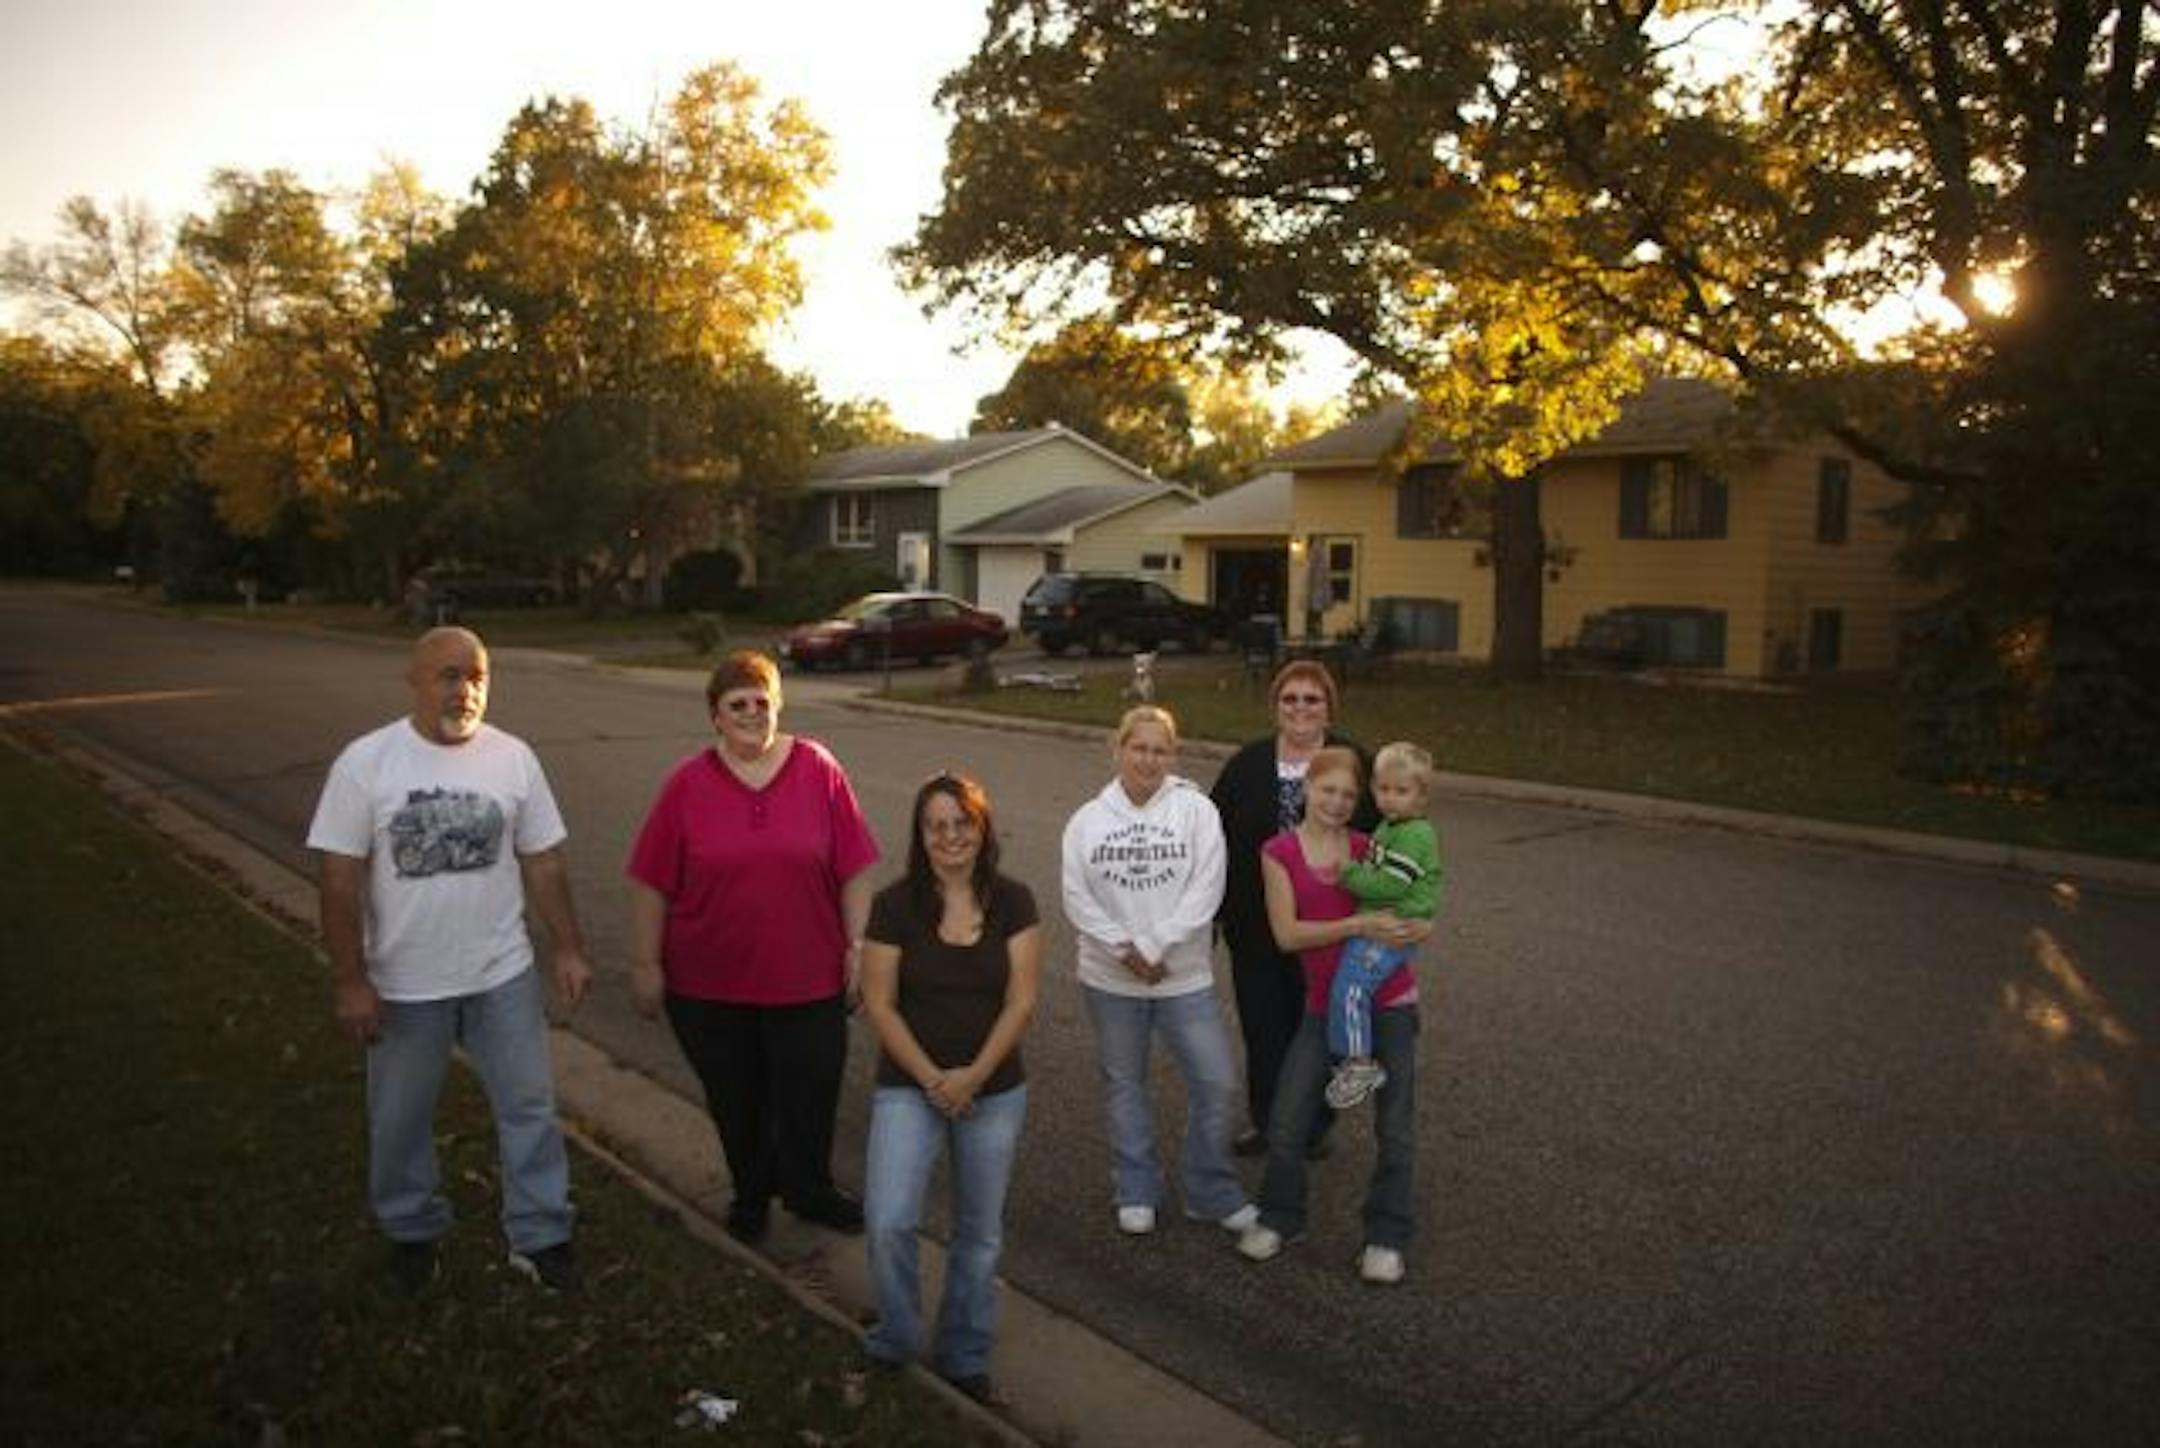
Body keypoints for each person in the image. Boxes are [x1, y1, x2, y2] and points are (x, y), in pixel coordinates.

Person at [307, 626, 593, 1294]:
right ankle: (412, 1232)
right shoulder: (366, 763)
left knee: (529, 1107)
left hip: (503, 975)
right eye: (448, 675)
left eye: (477, 675)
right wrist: (350, 981)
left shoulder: (513, 758)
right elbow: (339, 881)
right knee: (401, 1119)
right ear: (414, 680)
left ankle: (542, 1233)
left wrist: (570, 946)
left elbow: (543, 860)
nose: (465, 689)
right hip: (405, 984)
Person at [625, 650, 879, 1244]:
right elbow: (650, 880)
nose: (751, 713)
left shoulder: (818, 767)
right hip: (708, 985)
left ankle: (809, 1189)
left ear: (778, 706)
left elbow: (855, 867)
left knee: (811, 1093)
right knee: (738, 1102)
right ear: (715, 716)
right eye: (737, 704)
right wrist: (644, 963)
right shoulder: (686, 785)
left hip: (809, 977)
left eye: (762, 701)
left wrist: (858, 945)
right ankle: (752, 1192)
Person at [860, 773, 1042, 1406]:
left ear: (982, 826)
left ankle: (964, 1352)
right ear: (920, 835)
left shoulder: (1014, 902)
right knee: (888, 1219)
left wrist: (973, 1076)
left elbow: (1021, 1002)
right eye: (935, 825)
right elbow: (878, 1006)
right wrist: (936, 1079)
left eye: (961, 822)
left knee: (979, 1232)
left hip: (993, 1088)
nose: (949, 836)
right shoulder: (893, 905)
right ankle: (898, 1336)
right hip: (911, 1085)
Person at [1235, 747, 1430, 1285]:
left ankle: (1386, 1236)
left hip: (1388, 1002)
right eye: (1328, 790)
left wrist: (1420, 928)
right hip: (1324, 1007)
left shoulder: (1371, 847)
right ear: (1307, 790)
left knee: (1395, 1126)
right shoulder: (1278, 852)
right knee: (1288, 1117)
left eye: (1349, 794)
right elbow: (1287, 935)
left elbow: (1414, 908)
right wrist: (1356, 927)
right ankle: (1281, 1216)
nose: (1338, 802)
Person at [1062, 706, 1254, 1238]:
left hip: (1182, 975)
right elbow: (1077, 898)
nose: (1148, 759)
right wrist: (1126, 951)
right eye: (1138, 747)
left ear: (1173, 755)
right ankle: (1136, 1187)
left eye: (1159, 750)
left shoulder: (1195, 811)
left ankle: (1208, 1189)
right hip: (1110, 979)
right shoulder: (1086, 821)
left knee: (1216, 1083)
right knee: (1125, 1085)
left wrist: (1153, 945)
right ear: (1118, 749)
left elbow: (1207, 888)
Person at [1208, 660, 1379, 1155]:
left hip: (1327, 928)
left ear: (1328, 708)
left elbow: (1380, 840)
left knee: (1318, 1026)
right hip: (1255, 923)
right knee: (1264, 1028)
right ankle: (1267, 1121)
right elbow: (1213, 839)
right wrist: (1211, 914)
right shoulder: (1247, 764)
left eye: (1312, 699)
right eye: (1290, 699)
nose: (1301, 708)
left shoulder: (1352, 763)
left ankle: (1313, 1125)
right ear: (1276, 706)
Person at [1324, 742, 1444, 1110]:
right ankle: (1351, 1057)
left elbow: (1390, 884)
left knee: (1352, 988)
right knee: (1347, 985)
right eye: (1383, 789)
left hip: (1397, 922)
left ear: (1421, 796)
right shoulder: (1392, 825)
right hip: (1385, 919)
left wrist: (1348, 874)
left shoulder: (1415, 834)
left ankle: (1359, 1063)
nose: (1390, 798)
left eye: (1401, 791)